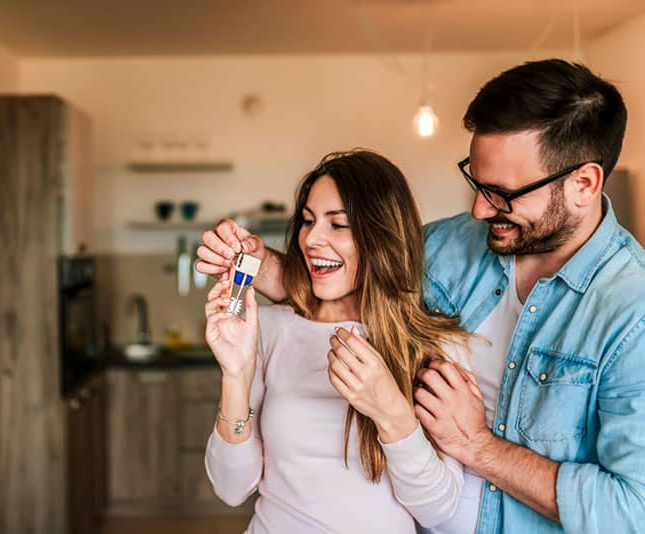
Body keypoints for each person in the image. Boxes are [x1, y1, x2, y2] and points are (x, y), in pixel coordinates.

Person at [196, 59, 645, 534]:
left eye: (500, 193)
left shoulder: (630, 313)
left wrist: (475, 444)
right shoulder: (450, 246)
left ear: (585, 184)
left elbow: (631, 511)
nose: (477, 208)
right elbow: (352, 287)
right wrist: (257, 264)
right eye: (476, 183)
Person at [203, 150, 478, 533]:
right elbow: (231, 488)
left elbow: (439, 510)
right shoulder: (268, 329)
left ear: (382, 237)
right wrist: (235, 376)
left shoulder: (434, 347)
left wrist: (390, 411)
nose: (312, 239)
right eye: (308, 221)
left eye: (338, 225)